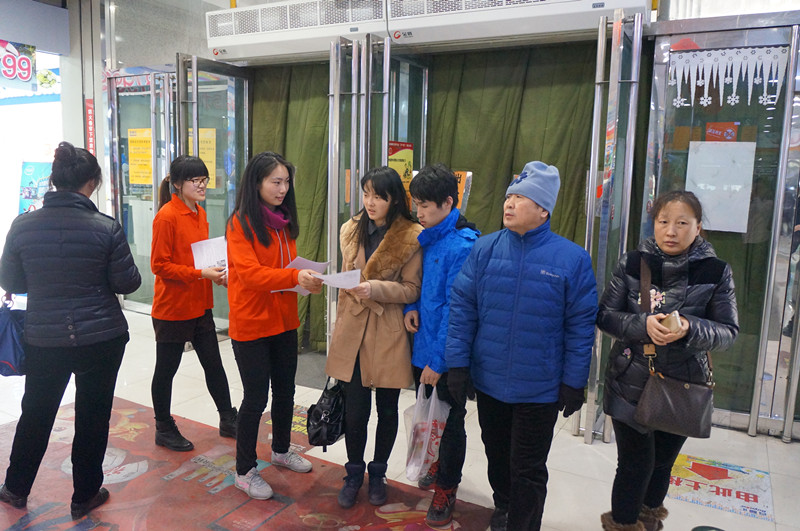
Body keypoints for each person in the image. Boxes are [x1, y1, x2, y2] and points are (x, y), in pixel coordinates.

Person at [445, 161, 598, 531]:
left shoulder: (571, 259)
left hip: (539, 388)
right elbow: (463, 310)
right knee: (497, 456)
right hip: (490, 379)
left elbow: (580, 327)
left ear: (544, 210)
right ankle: (504, 505)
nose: (509, 204)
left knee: (528, 468)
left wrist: (574, 381)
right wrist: (458, 365)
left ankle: (524, 523)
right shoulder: (484, 250)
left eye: (520, 198)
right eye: (508, 197)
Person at [0, 142, 141, 519]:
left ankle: (15, 488)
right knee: (93, 415)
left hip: (45, 338)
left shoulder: (23, 225)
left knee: (36, 412)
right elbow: (127, 282)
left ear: (54, 180)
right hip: (101, 338)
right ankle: (85, 495)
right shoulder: (107, 227)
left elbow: (12, 281)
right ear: (92, 182)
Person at [597, 190, 738, 531]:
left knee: (661, 463)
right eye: (663, 222)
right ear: (654, 224)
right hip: (630, 379)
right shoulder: (632, 263)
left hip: (682, 384)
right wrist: (642, 325)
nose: (671, 231)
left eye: (682, 223)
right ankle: (624, 524)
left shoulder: (716, 271)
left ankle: (649, 520)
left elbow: (728, 332)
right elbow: (605, 316)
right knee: (634, 464)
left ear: (698, 227)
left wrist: (690, 328)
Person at [226, 151, 323, 500]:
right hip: (251, 323)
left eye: (286, 182)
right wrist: (295, 276)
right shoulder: (240, 223)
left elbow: (285, 270)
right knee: (255, 399)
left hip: (283, 321)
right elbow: (251, 275)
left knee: (286, 391)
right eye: (275, 182)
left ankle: (281, 450)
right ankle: (244, 470)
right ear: (257, 183)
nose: (282, 189)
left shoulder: (283, 222)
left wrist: (304, 278)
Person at [325, 166, 422, 509]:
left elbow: (411, 289)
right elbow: (348, 277)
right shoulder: (351, 229)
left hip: (387, 329)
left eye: (379, 196)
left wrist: (374, 288)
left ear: (394, 199)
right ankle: (353, 473)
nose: (370, 202)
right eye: (366, 194)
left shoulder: (411, 235)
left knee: (387, 409)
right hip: (353, 329)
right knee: (355, 410)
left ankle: (378, 473)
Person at [402, 163, 479, 527]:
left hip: (448, 356)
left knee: (451, 422)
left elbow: (456, 310)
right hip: (424, 344)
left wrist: (438, 361)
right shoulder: (429, 236)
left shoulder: (462, 245)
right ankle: (434, 463)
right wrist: (411, 307)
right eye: (416, 203)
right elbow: (422, 286)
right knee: (432, 417)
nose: (418, 212)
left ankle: (447, 487)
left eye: (425, 205)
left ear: (448, 203)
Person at [150, 155, 237, 452]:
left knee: (214, 364)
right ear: (177, 184)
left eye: (204, 180)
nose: (202, 186)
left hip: (200, 304)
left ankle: (228, 418)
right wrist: (201, 273)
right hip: (173, 308)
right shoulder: (167, 216)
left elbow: (199, 258)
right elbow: (159, 265)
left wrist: (215, 274)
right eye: (195, 180)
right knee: (166, 370)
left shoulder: (200, 212)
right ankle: (163, 427)